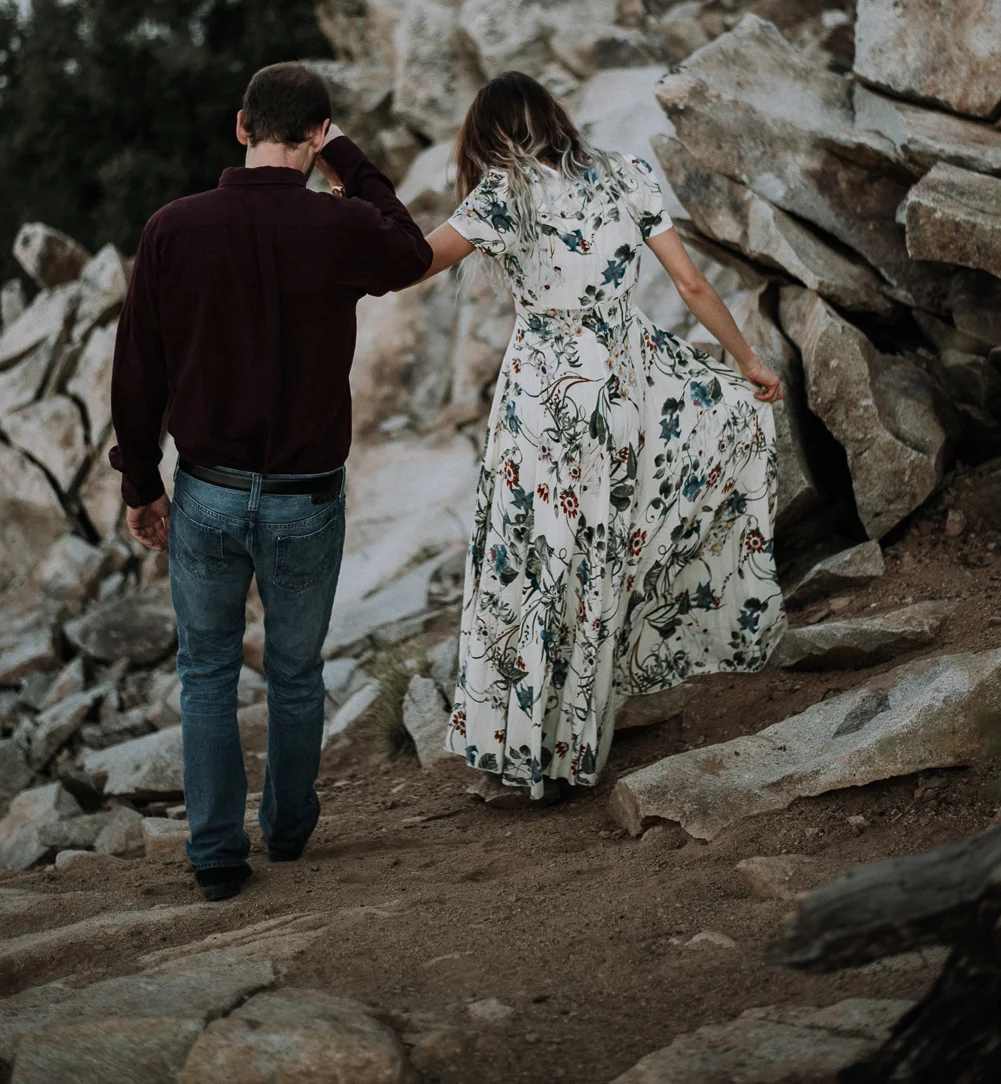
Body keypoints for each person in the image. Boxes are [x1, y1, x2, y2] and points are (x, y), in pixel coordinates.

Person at [417, 72, 785, 802]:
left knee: (529, 563)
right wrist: (746, 361)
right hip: (618, 389)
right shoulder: (626, 175)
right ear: (555, 118)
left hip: (540, 400)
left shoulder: (502, 194)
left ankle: (519, 756)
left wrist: (347, 206)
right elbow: (690, 287)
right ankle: (573, 746)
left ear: (487, 134)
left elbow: (411, 263)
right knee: (594, 558)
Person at [110, 62, 431, 899]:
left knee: (206, 672)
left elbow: (137, 368)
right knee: (294, 672)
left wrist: (140, 482)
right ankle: (286, 832)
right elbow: (410, 248)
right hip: (306, 495)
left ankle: (217, 856)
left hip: (208, 489)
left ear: (242, 126)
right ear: (316, 134)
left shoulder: (173, 229)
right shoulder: (340, 225)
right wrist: (349, 161)